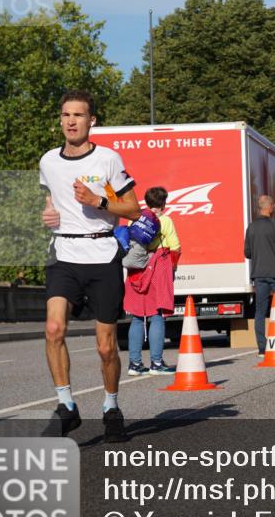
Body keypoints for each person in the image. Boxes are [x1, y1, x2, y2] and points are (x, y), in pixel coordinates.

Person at [39, 90, 140, 442]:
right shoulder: (48, 161)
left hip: (101, 255)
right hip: (64, 254)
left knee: (105, 347)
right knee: (54, 329)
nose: (70, 121)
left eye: (78, 116)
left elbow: (133, 210)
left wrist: (99, 200)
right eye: (65, 115)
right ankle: (67, 406)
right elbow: (51, 204)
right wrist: (48, 215)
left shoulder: (108, 160)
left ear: (91, 121)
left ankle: (111, 408)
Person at [125, 186, 181, 376]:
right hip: (157, 268)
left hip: (136, 270)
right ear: (163, 203)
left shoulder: (135, 219)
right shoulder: (165, 221)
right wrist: (172, 271)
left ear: (147, 202)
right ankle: (156, 363)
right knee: (157, 315)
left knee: (137, 316)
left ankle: (134, 363)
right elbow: (175, 247)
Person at [245, 194, 275, 355]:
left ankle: (261, 347)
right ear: (270, 206)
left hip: (259, 274)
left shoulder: (251, 227)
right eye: (273, 205)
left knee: (260, 310)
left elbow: (247, 253)